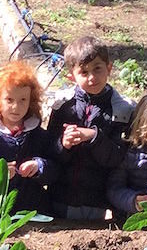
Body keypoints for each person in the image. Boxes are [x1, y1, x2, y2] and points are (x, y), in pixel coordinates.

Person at [45, 36, 134, 220]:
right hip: (61, 197)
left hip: (99, 200)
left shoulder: (122, 110)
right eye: (84, 72)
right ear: (71, 75)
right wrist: (63, 144)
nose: (92, 78)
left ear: (109, 68)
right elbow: (49, 150)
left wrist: (94, 136)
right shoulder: (62, 105)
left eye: (97, 69)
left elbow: (118, 158)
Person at [0, 60, 60, 213]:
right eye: (9, 100)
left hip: (31, 210)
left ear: (31, 100)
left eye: (23, 100)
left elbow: (56, 165)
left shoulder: (38, 134)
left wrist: (39, 166)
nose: (16, 107)